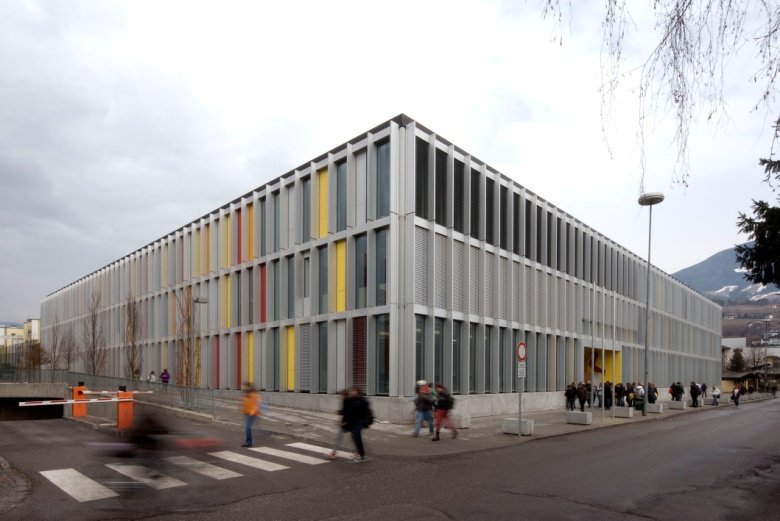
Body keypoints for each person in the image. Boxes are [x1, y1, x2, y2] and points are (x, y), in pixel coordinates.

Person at [342, 386, 373, 462]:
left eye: (354, 391)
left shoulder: (362, 400)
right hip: (353, 422)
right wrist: (344, 420)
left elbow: (367, 411)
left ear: (358, 392)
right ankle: (360, 454)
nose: (352, 392)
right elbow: (347, 411)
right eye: (351, 391)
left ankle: (362, 455)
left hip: (360, 421)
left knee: (356, 437)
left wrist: (367, 421)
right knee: (354, 437)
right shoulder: (350, 400)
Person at [329, 389, 350, 459]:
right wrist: (339, 412)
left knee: (354, 438)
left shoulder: (350, 402)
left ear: (345, 395)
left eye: (341, 395)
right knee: (338, 437)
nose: (340, 397)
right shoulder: (344, 401)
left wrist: (344, 422)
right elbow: (345, 412)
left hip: (351, 423)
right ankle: (333, 453)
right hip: (344, 422)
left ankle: (359, 451)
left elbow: (350, 413)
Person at [240, 383, 261, 447]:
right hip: (247, 413)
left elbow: (256, 405)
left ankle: (249, 442)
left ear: (249, 387)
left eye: (245, 387)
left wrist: (252, 412)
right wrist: (242, 409)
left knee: (247, 427)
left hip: (252, 414)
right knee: (248, 427)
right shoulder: (245, 395)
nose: (243, 388)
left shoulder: (254, 395)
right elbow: (243, 403)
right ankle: (249, 441)